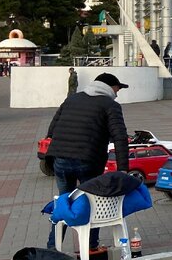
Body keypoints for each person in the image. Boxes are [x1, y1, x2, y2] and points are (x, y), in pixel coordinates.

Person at [44, 72, 130, 248]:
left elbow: (52, 129)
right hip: (88, 161)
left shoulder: (72, 99)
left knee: (64, 202)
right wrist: (123, 169)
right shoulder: (110, 105)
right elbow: (120, 137)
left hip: (60, 159)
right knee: (92, 203)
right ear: (110, 87)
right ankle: (90, 247)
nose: (118, 92)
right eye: (118, 88)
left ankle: (53, 246)